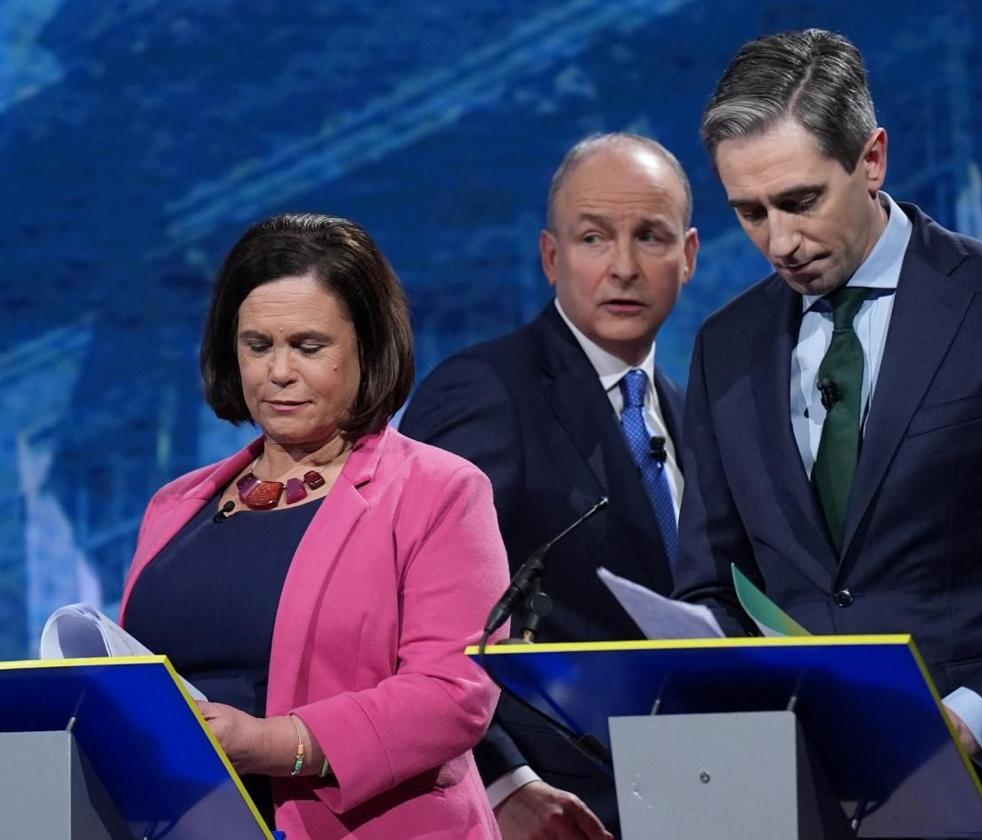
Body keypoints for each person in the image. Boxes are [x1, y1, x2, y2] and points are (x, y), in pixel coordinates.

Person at [672, 29, 982, 838]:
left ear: (872, 159)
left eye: (799, 201)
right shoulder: (723, 346)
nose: (779, 242)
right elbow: (707, 587)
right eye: (748, 213)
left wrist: (971, 721)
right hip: (804, 805)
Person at [119, 213, 508, 839]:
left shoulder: (439, 492)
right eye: (257, 345)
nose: (278, 372)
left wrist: (274, 743)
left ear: (368, 348)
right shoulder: (175, 503)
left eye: (308, 346)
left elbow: (454, 691)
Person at [401, 133, 699, 839]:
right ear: (551, 257)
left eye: (649, 237)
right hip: (547, 812)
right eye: (594, 237)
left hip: (694, 797)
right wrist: (504, 781)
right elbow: (412, 605)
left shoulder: (697, 418)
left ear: (687, 258)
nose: (623, 266)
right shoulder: (485, 390)